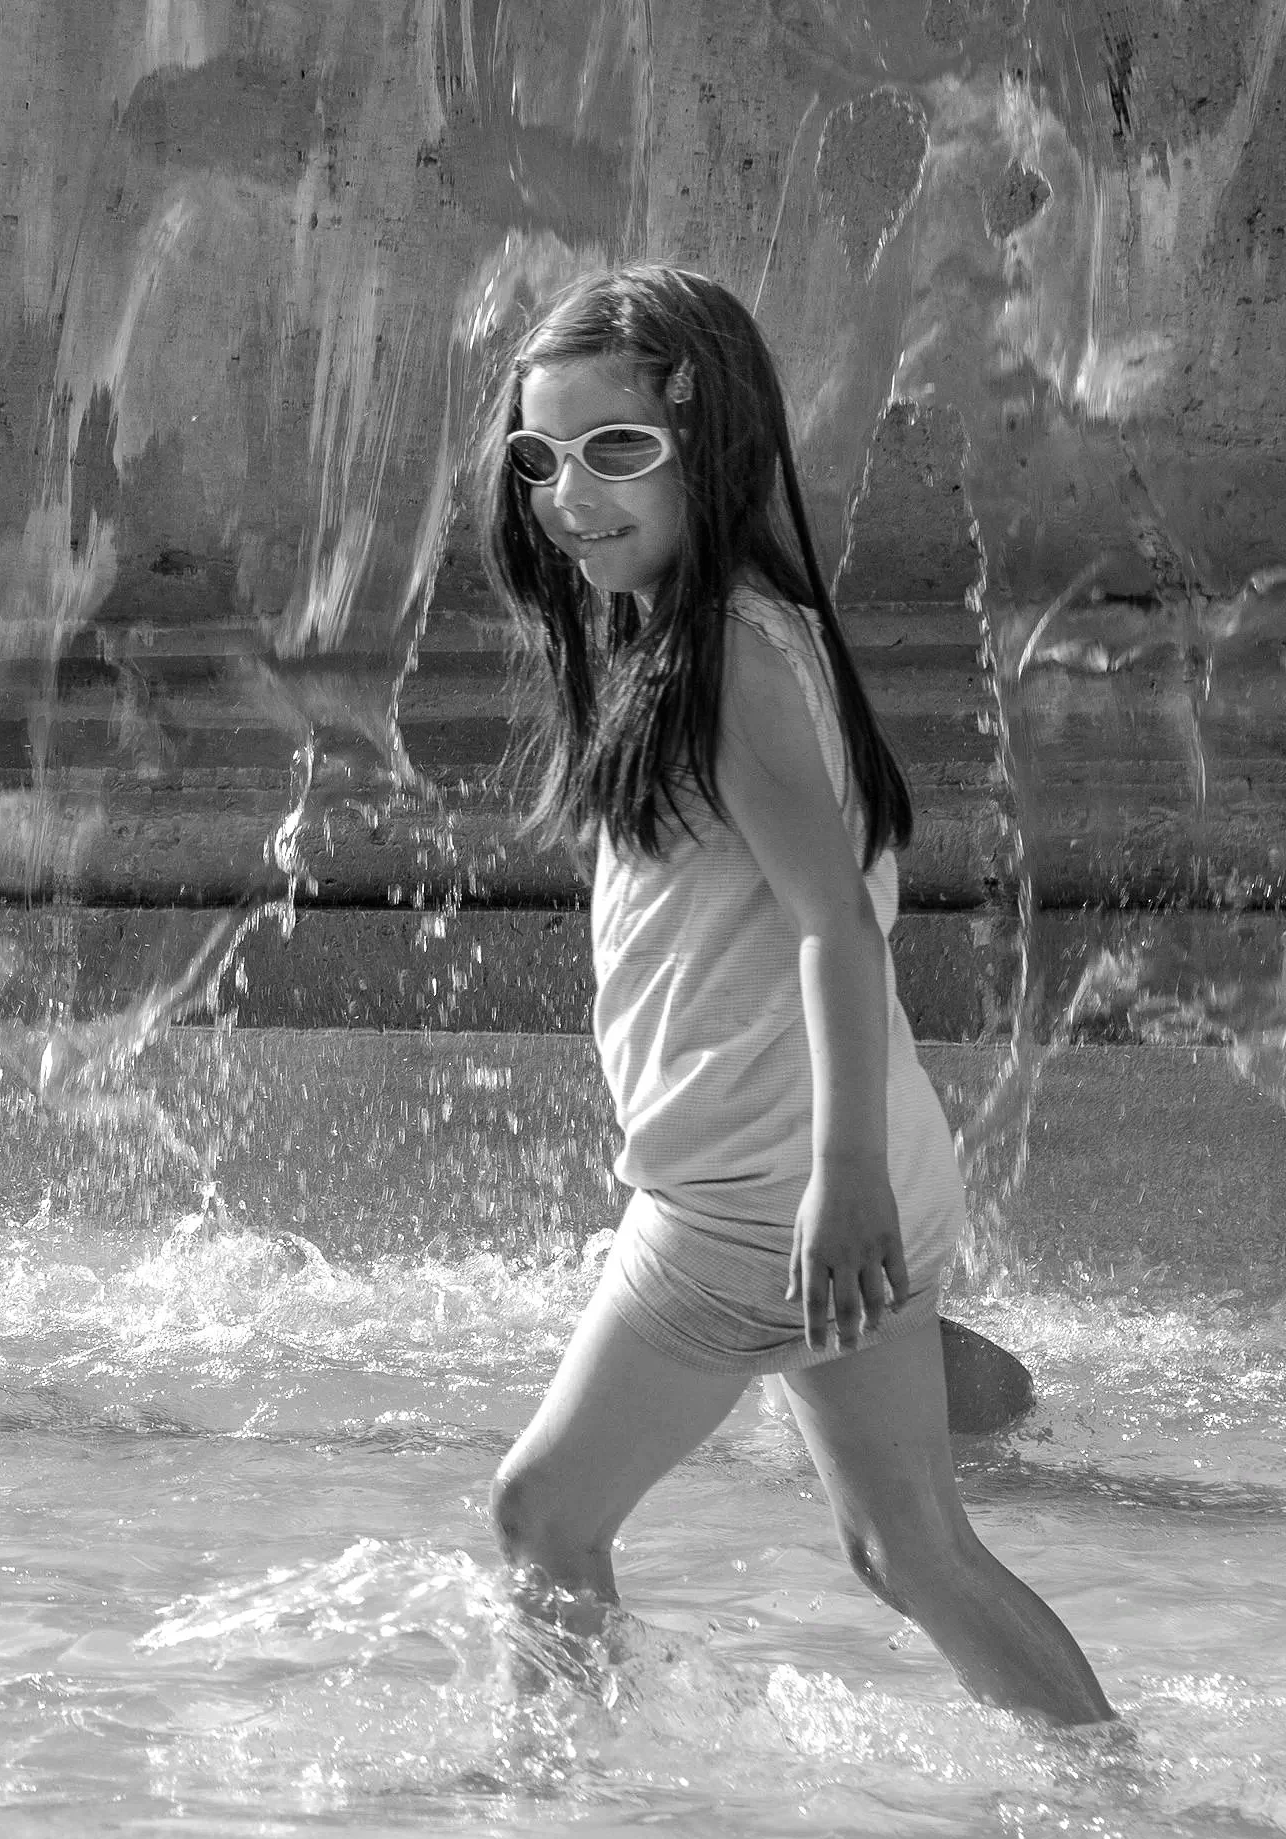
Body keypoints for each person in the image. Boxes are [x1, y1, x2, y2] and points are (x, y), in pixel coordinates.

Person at [476, 264, 1112, 1725]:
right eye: (541, 457)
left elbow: (836, 927)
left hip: (767, 1197)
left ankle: (543, 1814)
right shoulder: (733, 627)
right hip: (842, 1167)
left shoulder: (720, 664)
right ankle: (1121, 1802)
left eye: (616, 449)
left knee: (540, 1514)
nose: (570, 496)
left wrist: (834, 1186)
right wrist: (853, 1176)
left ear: (714, 446)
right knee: (911, 1552)